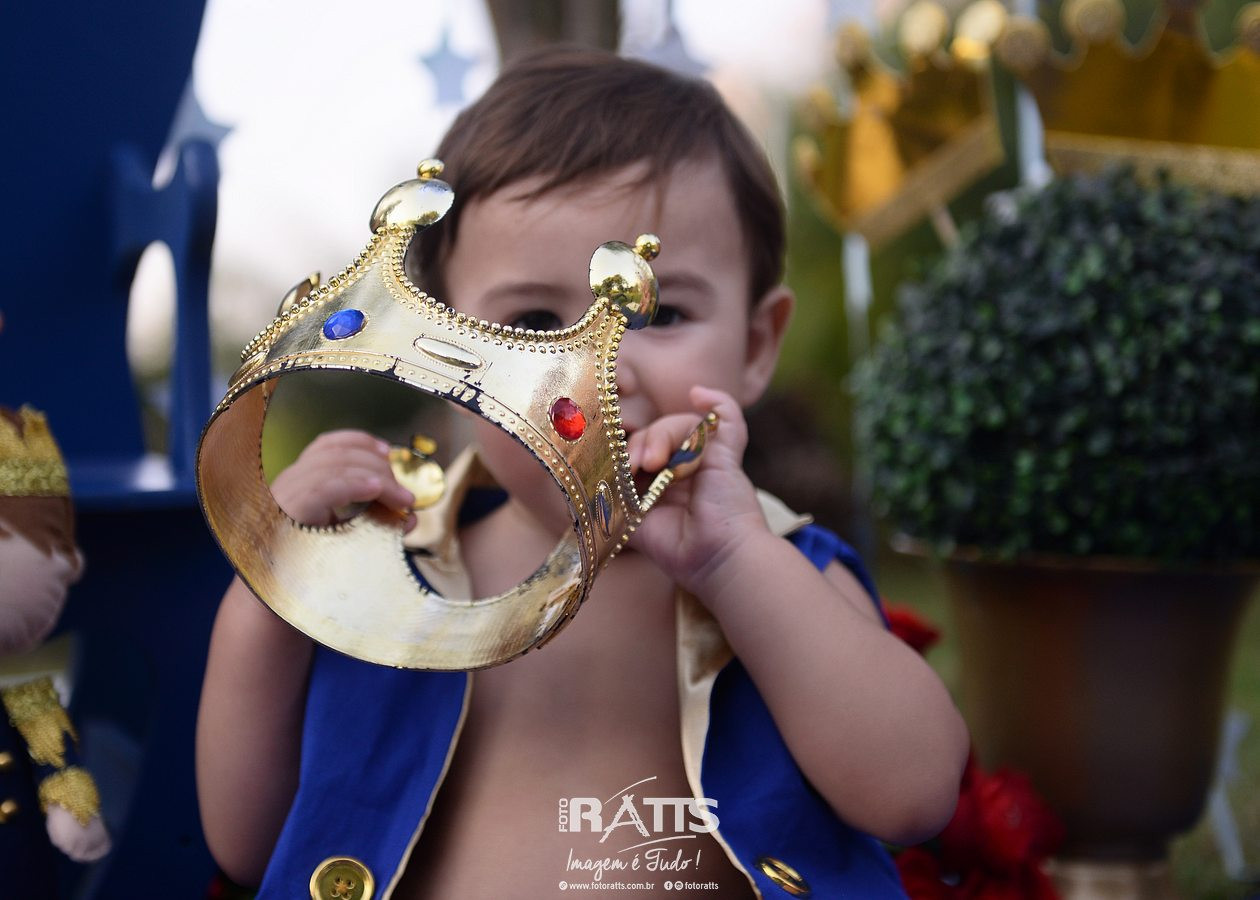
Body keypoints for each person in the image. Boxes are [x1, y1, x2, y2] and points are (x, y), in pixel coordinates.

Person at [197, 48, 969, 899]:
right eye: (532, 320)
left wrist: (732, 561)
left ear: (756, 347)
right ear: (442, 353)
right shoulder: (388, 573)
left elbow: (914, 795)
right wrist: (273, 589)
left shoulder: (784, 572)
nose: (596, 374)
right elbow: (248, 840)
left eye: (658, 313)